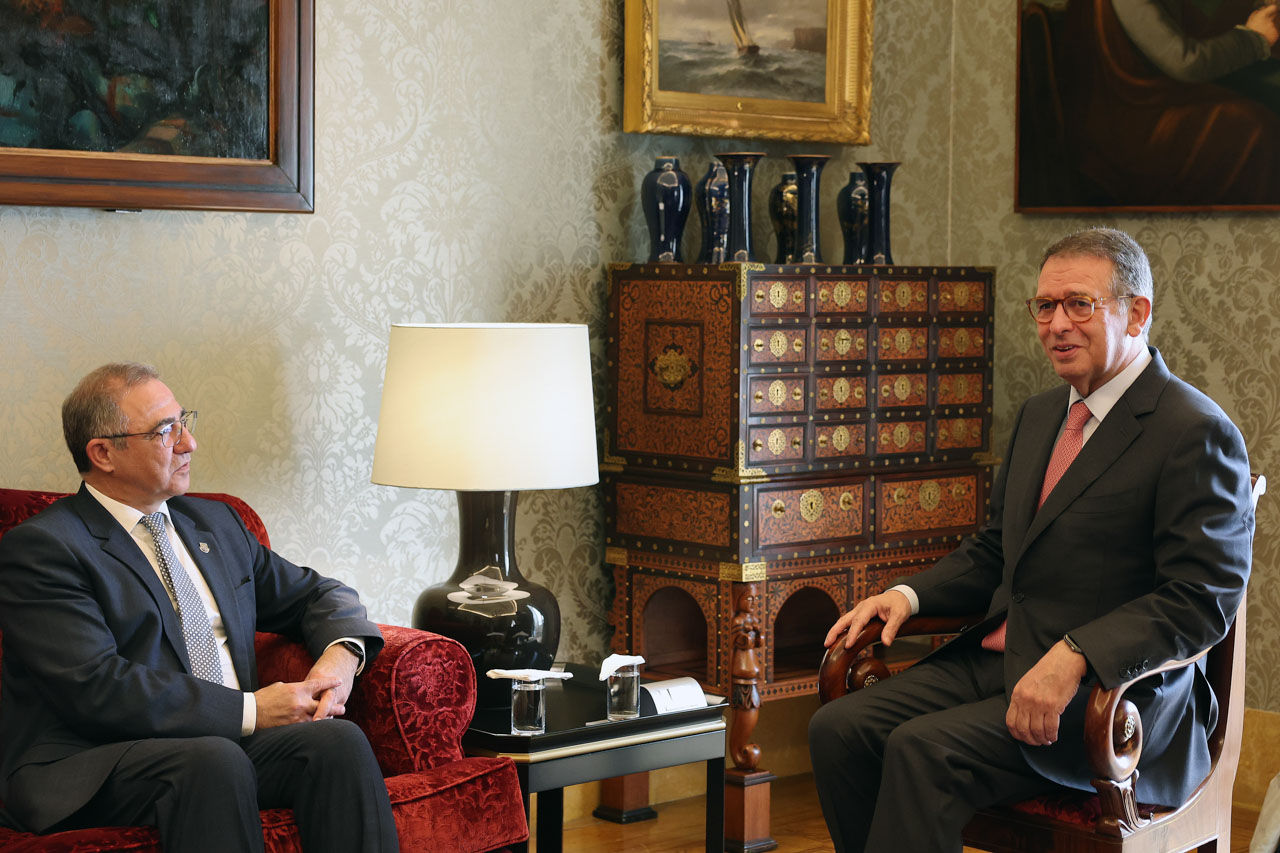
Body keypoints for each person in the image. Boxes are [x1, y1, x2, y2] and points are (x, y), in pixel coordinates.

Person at [808, 228, 1255, 853]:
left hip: (1108, 701)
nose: (1056, 324)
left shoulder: (1195, 432)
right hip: (998, 664)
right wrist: (907, 597)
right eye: (1045, 306)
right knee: (840, 727)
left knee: (920, 750)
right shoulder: (1043, 414)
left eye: (1079, 304)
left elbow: (1201, 598)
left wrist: (1076, 654)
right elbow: (997, 548)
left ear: (1138, 312)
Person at [0, 363, 399, 852]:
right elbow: (96, 685)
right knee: (212, 760)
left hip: (222, 741)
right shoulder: (44, 548)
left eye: (183, 421)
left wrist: (342, 657)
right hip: (93, 758)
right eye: (165, 431)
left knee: (337, 743)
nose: (190, 443)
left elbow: (318, 593)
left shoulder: (216, 523)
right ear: (103, 453)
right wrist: (250, 709)